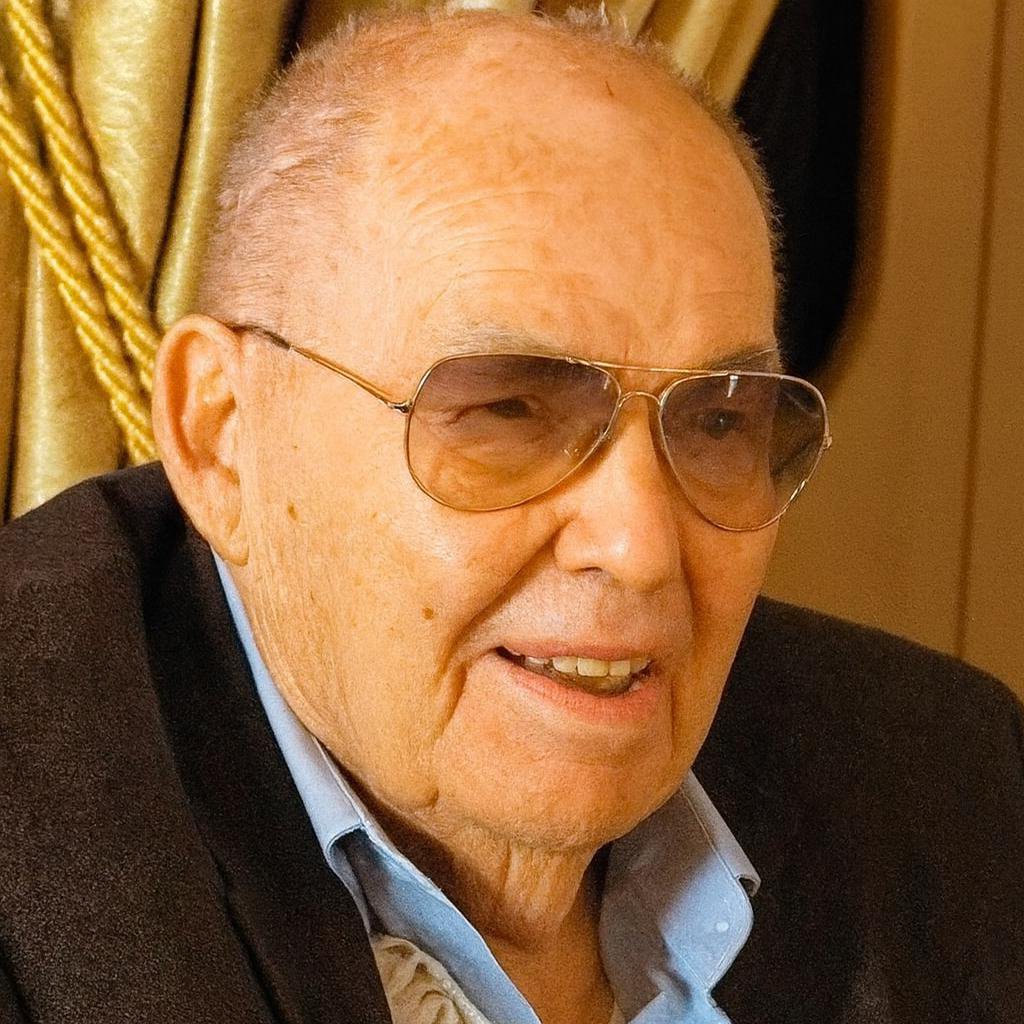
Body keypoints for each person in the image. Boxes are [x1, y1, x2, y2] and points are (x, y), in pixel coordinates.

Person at [0, 10, 1021, 1024]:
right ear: (221, 435)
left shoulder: (957, 786)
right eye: (507, 411)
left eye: (715, 420)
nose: (639, 547)